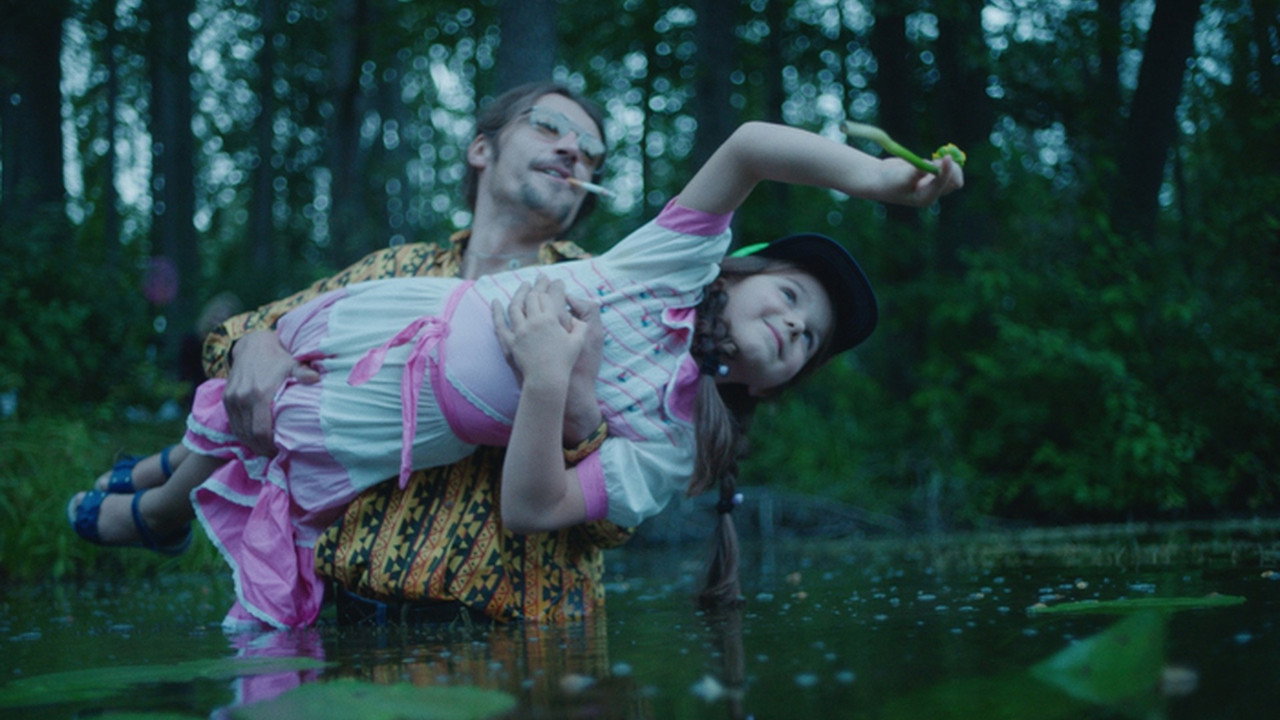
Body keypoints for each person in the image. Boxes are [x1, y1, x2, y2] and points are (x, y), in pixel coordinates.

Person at [69, 116, 962, 629]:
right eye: (794, 296)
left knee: (293, 441)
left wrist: (554, 384)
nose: (795, 324)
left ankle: (160, 498)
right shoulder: (649, 268)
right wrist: (874, 179)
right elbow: (754, 146)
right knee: (261, 388)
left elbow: (553, 512)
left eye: (807, 341)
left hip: (484, 594)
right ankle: (161, 493)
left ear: (773, 386)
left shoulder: (665, 416)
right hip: (391, 357)